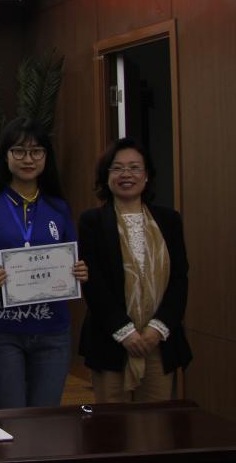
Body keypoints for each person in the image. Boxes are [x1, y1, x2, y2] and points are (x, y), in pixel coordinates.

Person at [0, 117, 87, 408]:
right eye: (19, 151)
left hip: (52, 331)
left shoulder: (58, 207)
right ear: (6, 156)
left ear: (46, 157)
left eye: (36, 151)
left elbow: (71, 261)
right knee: (12, 417)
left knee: (45, 417)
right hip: (3, 332)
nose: (28, 159)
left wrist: (79, 271)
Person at [78, 138, 191, 402]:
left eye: (134, 167)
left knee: (155, 421)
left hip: (158, 342)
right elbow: (93, 282)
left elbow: (179, 278)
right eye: (117, 168)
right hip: (110, 339)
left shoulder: (169, 220)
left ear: (147, 175)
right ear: (106, 177)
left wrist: (156, 330)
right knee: (111, 421)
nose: (126, 174)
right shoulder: (92, 221)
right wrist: (125, 332)